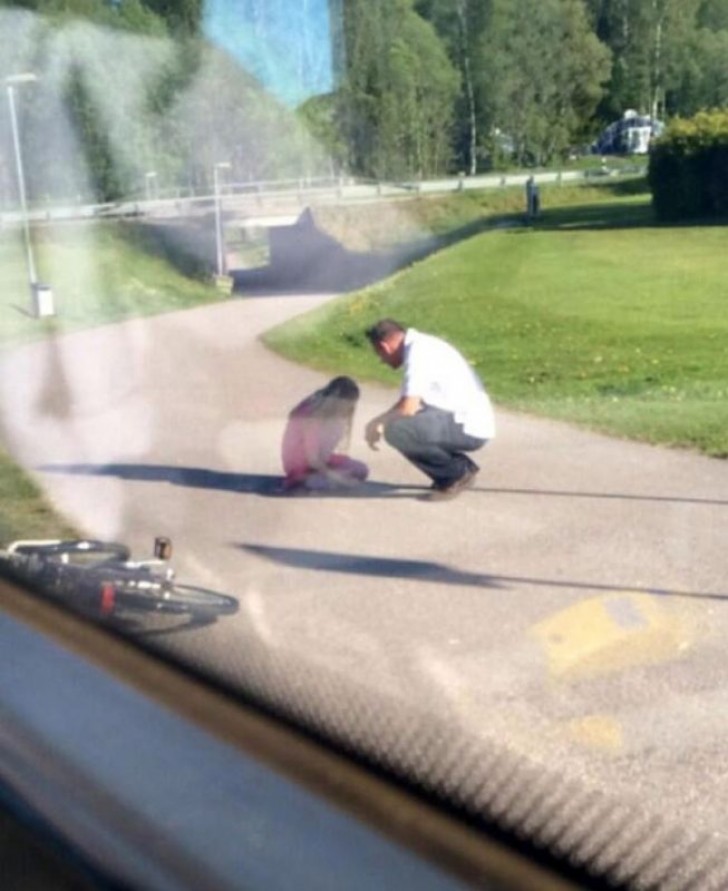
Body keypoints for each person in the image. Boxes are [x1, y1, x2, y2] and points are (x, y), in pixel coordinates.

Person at [363, 319, 494, 501]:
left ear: (384, 347)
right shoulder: (422, 346)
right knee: (403, 423)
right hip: (465, 419)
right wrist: (380, 421)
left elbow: (408, 408)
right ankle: (457, 467)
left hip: (469, 425)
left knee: (398, 430)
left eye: (380, 355)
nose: (382, 361)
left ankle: (455, 474)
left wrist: (380, 422)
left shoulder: (419, 353)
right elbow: (411, 403)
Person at [281, 375, 369, 492]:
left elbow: (324, 452)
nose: (349, 409)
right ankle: (304, 480)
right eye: (347, 405)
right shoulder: (311, 417)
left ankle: (320, 477)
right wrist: (338, 478)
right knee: (321, 483)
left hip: (320, 461)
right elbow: (313, 460)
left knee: (361, 469)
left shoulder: (333, 417)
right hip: (301, 465)